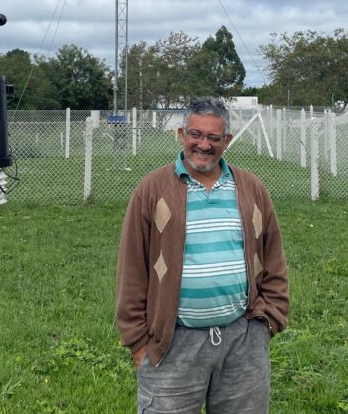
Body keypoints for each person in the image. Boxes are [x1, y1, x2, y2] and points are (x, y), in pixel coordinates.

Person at [116, 96, 289, 414]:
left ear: (228, 140)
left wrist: (269, 320)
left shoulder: (251, 188)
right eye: (195, 134)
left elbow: (273, 255)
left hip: (243, 339)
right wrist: (137, 341)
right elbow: (132, 267)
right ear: (181, 135)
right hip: (171, 343)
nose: (203, 145)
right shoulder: (152, 190)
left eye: (213, 137)